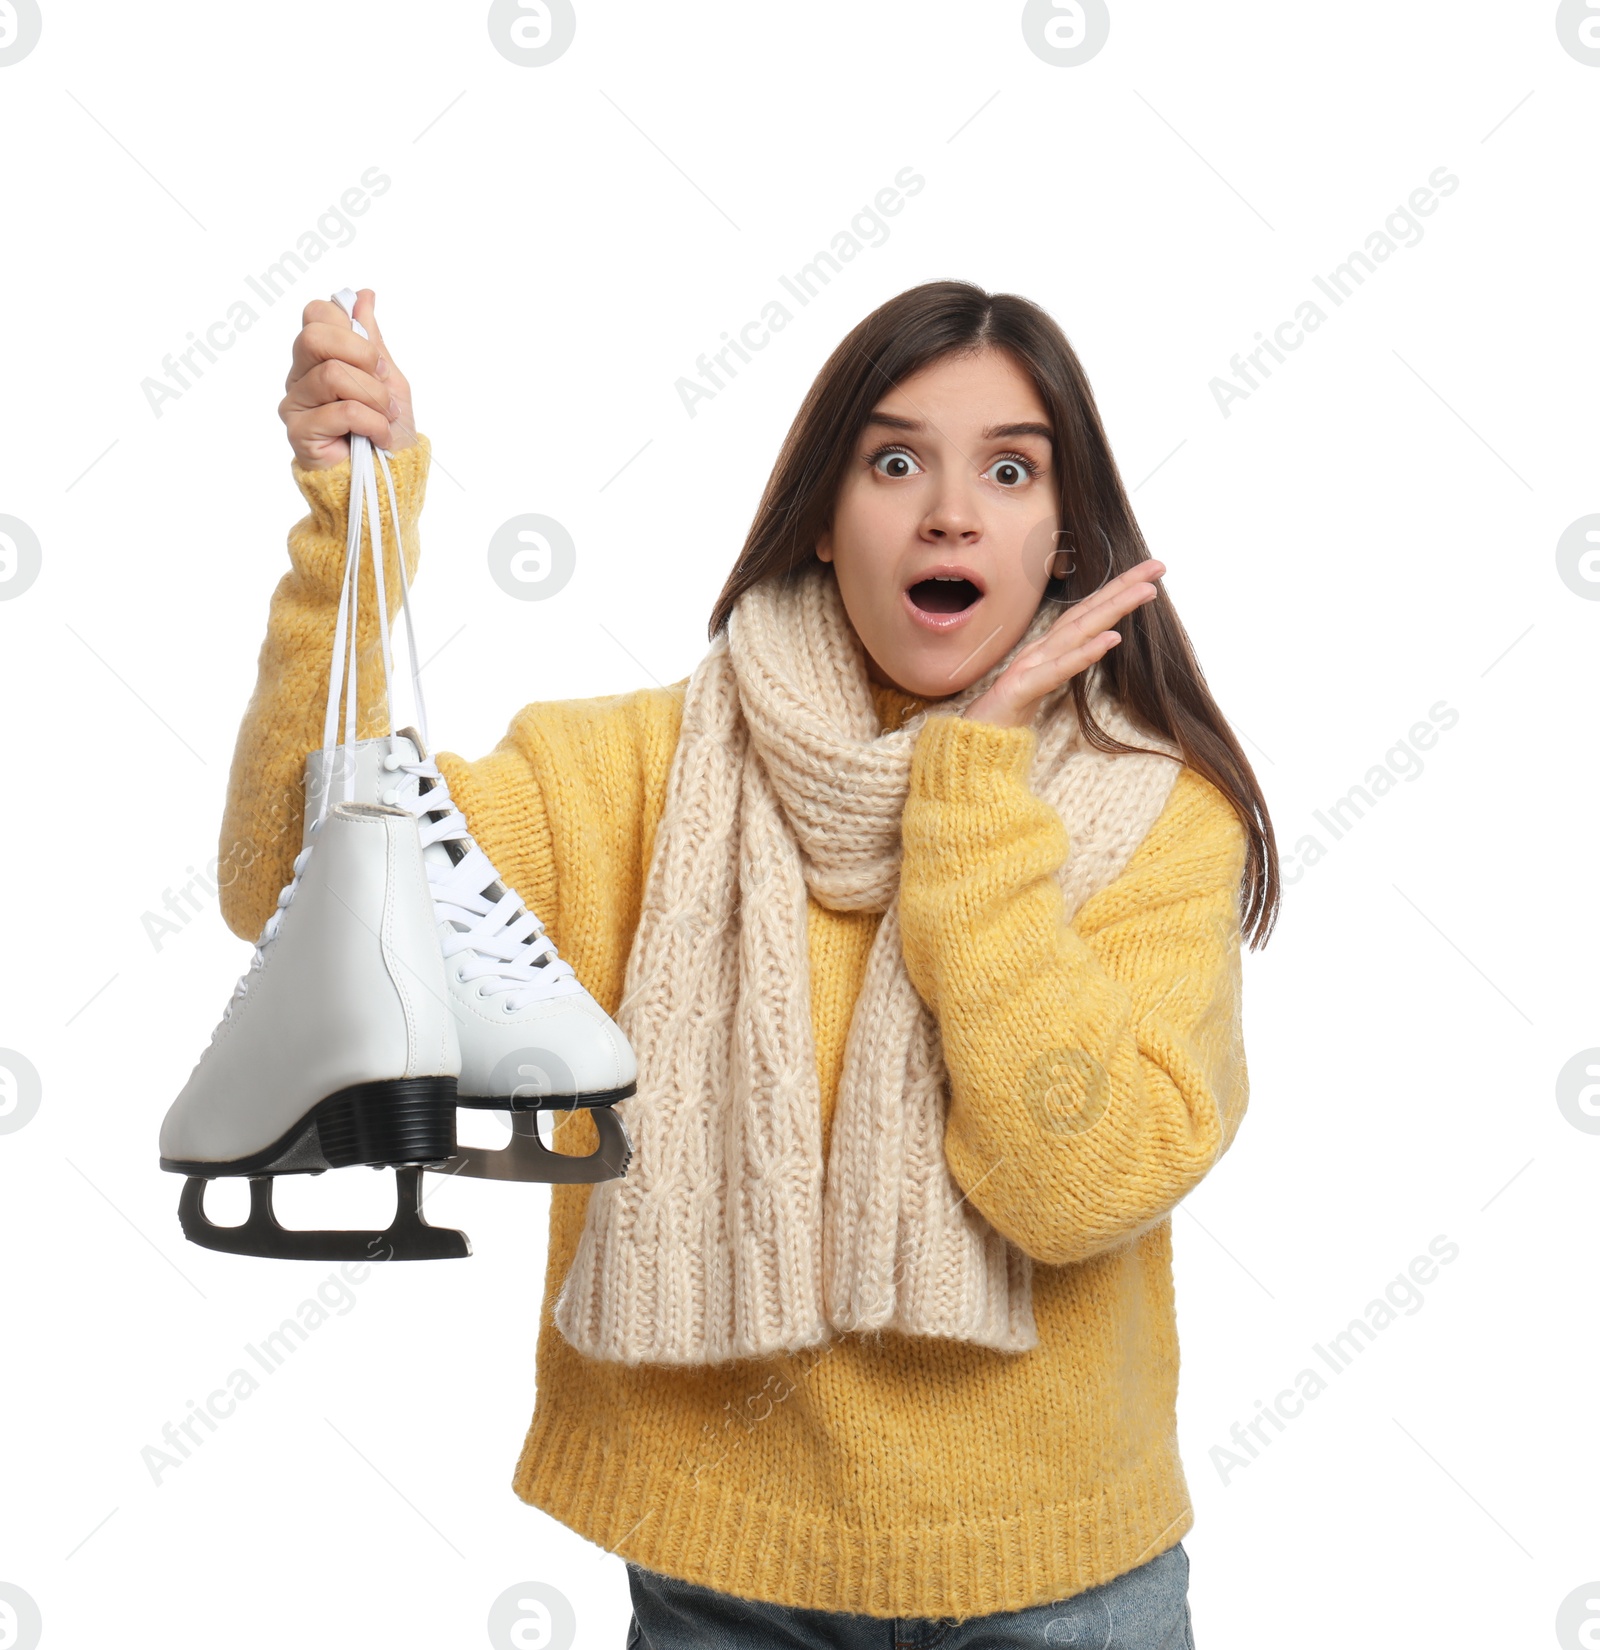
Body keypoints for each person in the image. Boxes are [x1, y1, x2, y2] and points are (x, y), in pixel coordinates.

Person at [226, 279, 1278, 1647]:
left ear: (1067, 543)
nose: (949, 511)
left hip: (1063, 1587)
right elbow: (297, 886)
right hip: (725, 1580)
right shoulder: (637, 775)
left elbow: (1081, 1183)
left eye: (1009, 469)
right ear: (827, 527)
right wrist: (349, 531)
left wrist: (968, 796)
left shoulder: (1156, 812)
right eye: (894, 462)